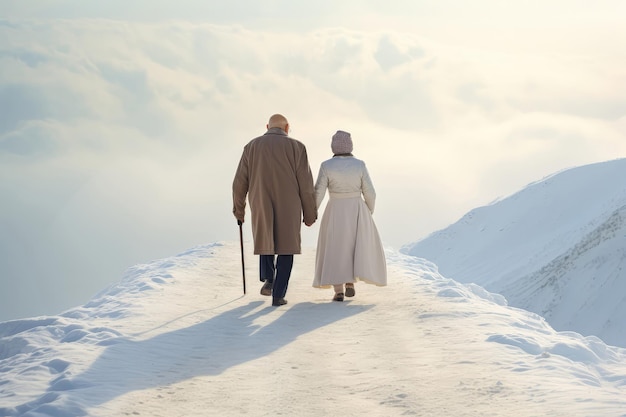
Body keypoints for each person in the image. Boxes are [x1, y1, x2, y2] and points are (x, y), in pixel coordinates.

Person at [232, 114, 317, 306]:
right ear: (287, 128)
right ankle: (278, 295)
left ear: (267, 126)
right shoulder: (297, 147)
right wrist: (309, 214)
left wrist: (239, 210)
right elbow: (306, 184)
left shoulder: (251, 147)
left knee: (266, 237)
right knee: (287, 247)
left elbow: (239, 182)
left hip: (260, 201)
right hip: (290, 205)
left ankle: (269, 279)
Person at [312, 130, 387, 301]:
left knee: (336, 247)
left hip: (335, 208)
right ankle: (350, 283)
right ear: (350, 146)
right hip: (356, 208)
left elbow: (318, 192)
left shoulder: (326, 166)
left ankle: (338, 290)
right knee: (353, 246)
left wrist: (312, 212)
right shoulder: (359, 165)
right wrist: (368, 210)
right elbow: (370, 192)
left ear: (333, 147)